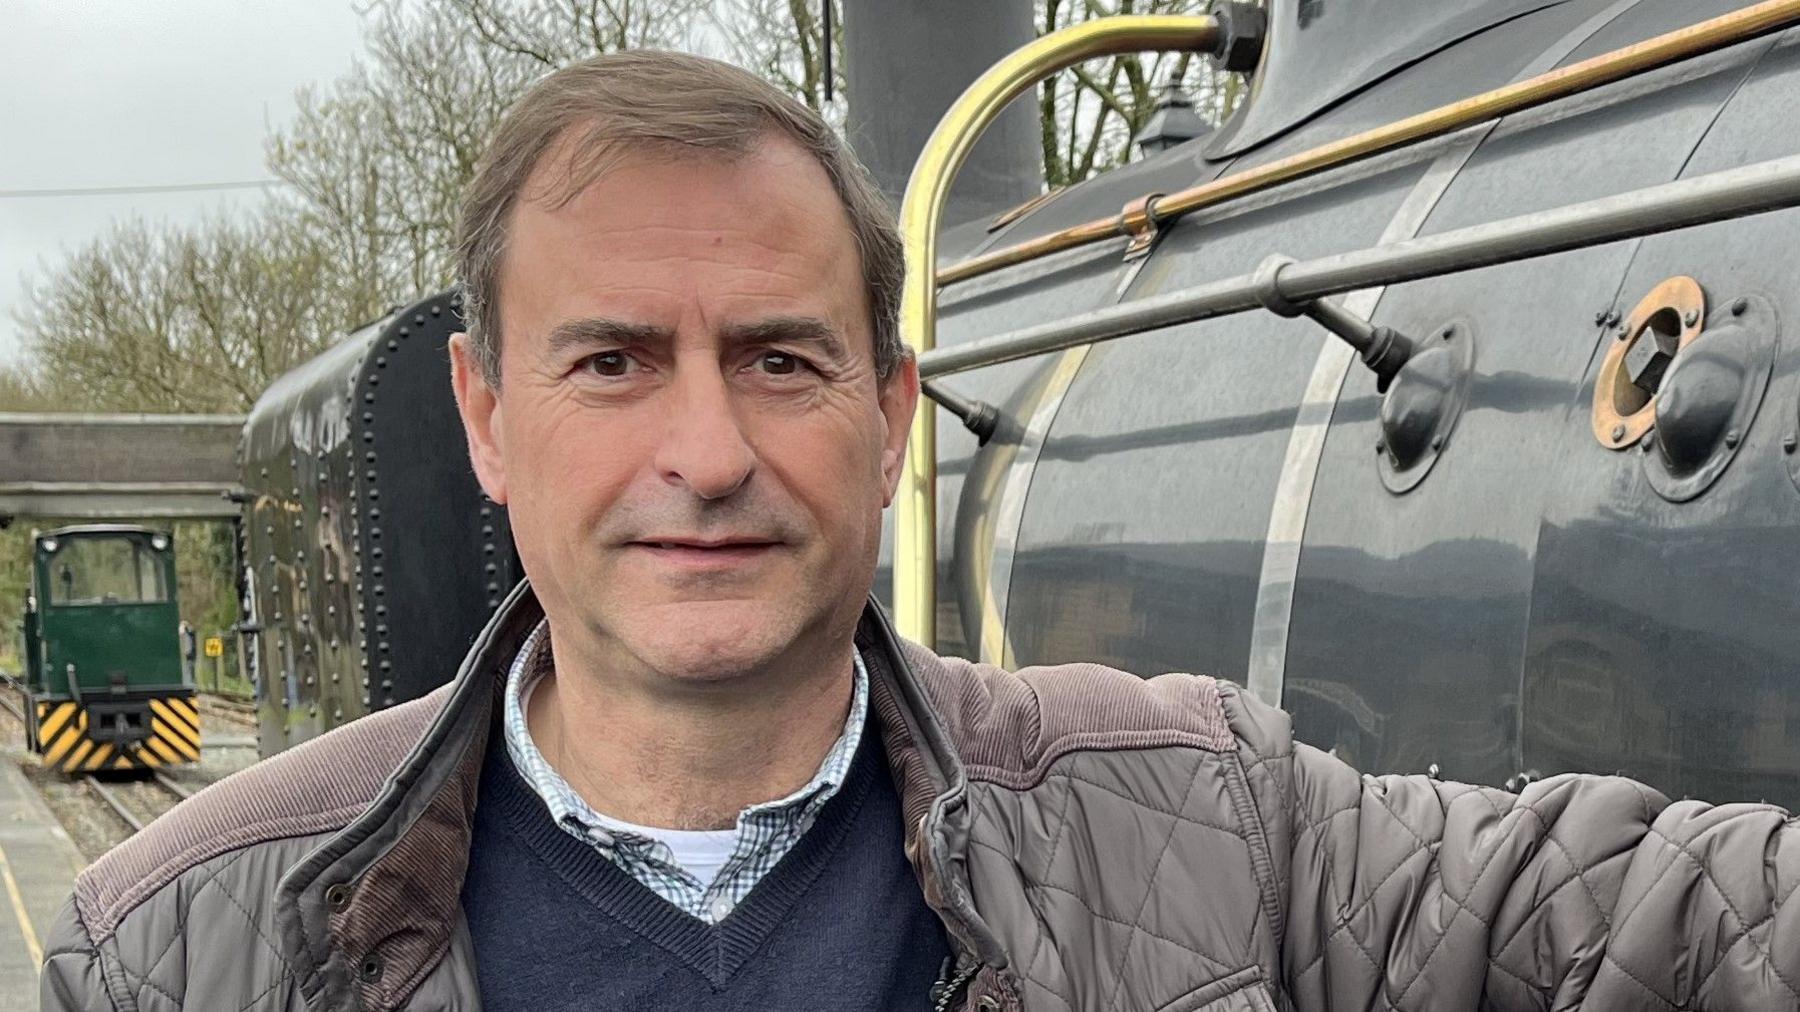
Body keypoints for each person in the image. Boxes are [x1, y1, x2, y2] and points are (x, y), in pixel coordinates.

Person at [40, 50, 1799, 1012]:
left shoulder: (1206, 824)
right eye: (615, 362)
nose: (709, 451)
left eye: (781, 359)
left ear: (892, 419)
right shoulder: (174, 951)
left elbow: (1649, 916)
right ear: (486, 420)